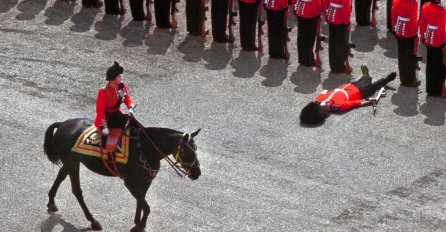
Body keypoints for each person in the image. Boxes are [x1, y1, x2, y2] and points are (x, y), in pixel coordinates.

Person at [300, 66, 397, 125]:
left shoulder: (318, 100)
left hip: (346, 87)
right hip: (358, 92)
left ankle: (366, 74)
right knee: (373, 86)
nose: (323, 105)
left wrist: (323, 101)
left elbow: (324, 91)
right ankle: (386, 79)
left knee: (365, 79)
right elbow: (354, 103)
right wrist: (369, 100)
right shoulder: (338, 107)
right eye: (323, 108)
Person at [94, 62, 134, 156]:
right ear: (113, 78)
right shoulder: (103, 92)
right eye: (119, 76)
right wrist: (104, 126)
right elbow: (100, 112)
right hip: (106, 118)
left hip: (116, 114)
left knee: (131, 121)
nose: (121, 78)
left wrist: (130, 107)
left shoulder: (120, 86)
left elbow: (126, 98)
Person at [419, 0, 446, 97]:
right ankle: (437, 90)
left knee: (430, 65)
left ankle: (430, 89)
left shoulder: (425, 6)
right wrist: (443, 43)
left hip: (429, 38)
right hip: (438, 41)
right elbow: (441, 29)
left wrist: (423, 36)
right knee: (438, 66)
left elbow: (422, 23)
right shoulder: (442, 11)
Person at [391, 0, 420, 87]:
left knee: (401, 55)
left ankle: (403, 79)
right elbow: (412, 19)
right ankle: (410, 79)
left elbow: (394, 14)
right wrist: (414, 34)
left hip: (399, 28)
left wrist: (394, 29)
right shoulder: (413, 3)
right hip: (409, 31)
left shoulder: (397, 1)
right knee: (410, 56)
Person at [323, 0, 353, 73]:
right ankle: (339, 67)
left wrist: (326, 14)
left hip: (331, 14)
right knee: (339, 44)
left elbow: (325, 3)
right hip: (340, 17)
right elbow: (346, 7)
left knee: (333, 42)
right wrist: (347, 21)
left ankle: (333, 65)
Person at [292, 0, 323, 66]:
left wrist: (295, 6)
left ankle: (302, 59)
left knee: (301, 36)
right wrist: (318, 13)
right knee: (308, 38)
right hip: (310, 11)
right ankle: (308, 60)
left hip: (300, 9)